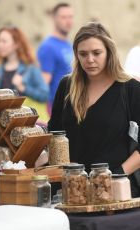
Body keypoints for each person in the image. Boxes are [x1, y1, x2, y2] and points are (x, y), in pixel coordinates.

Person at [48, 22, 140, 197]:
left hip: (116, 190)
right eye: (83, 54)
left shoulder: (130, 88)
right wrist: (69, 171)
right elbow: (54, 134)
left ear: (109, 52)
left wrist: (115, 175)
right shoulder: (66, 86)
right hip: (71, 188)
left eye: (96, 53)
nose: (90, 59)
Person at [0, 26, 50, 124]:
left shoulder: (30, 69)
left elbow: (45, 95)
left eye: (4, 41)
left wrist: (23, 88)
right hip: (3, 125)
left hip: (25, 126)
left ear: (16, 44)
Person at [37, 3, 74, 110]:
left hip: (71, 106)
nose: (68, 21)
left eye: (70, 17)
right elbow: (43, 83)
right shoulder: (48, 46)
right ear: (54, 19)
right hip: (56, 108)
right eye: (63, 17)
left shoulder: (69, 44)